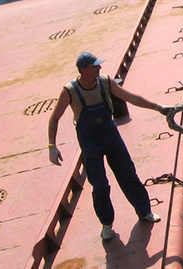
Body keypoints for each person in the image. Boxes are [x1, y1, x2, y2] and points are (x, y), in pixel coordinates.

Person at [48, 52, 171, 240]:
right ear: (84, 70)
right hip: (90, 144)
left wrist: (158, 107)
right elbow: (54, 118)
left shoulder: (105, 82)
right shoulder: (70, 91)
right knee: (100, 185)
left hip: (111, 137)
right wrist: (52, 146)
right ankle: (106, 224)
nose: (100, 68)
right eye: (95, 66)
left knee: (128, 174)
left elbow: (131, 98)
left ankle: (144, 211)